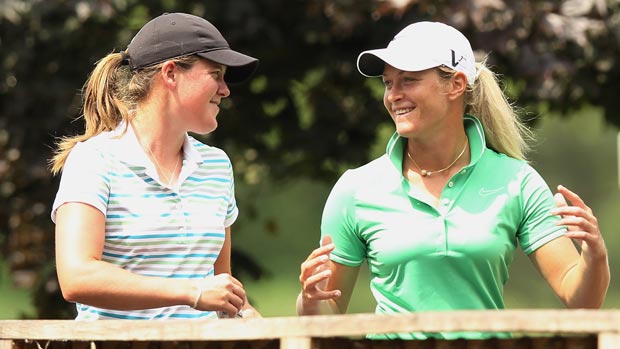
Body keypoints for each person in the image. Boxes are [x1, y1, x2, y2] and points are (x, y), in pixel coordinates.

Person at [296, 21, 610, 339]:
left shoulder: (517, 181)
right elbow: (327, 319)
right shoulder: (355, 189)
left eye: (409, 80)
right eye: (388, 83)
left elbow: (580, 300)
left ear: (456, 84)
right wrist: (309, 300)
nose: (393, 96)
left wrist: (595, 257)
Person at [49, 12, 260, 320]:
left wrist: (245, 314)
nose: (225, 90)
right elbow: (77, 276)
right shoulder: (93, 160)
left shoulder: (217, 166)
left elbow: (219, 287)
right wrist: (192, 293)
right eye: (216, 74)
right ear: (171, 73)